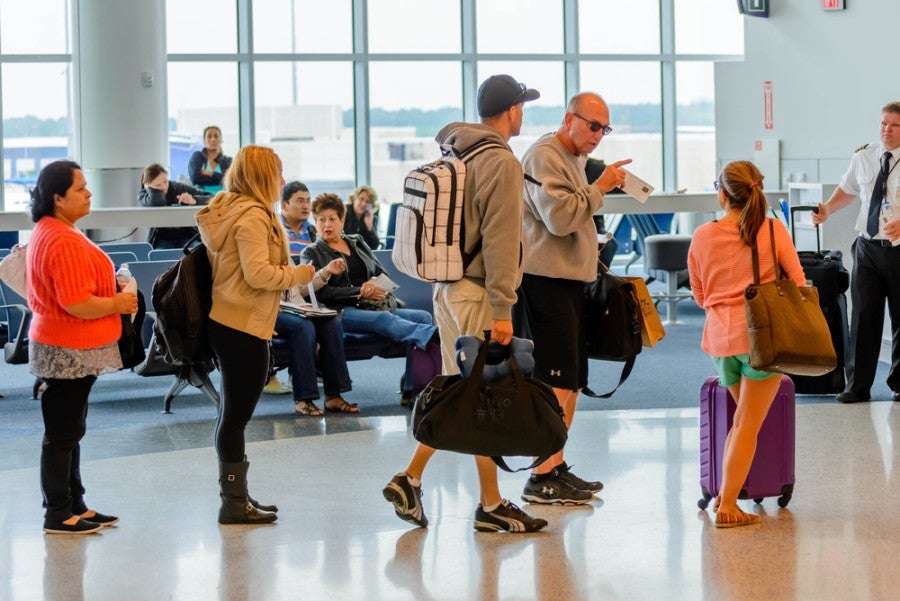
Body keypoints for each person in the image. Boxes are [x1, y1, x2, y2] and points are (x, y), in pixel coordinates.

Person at [382, 74, 548, 533]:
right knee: (481, 395)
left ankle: (465, 494)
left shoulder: (457, 151)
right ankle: (437, 486)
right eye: (522, 106)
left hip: (447, 287)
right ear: (512, 111)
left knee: (465, 392)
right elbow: (500, 239)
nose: (523, 113)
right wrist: (502, 308)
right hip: (477, 292)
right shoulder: (501, 162)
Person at [517, 92, 631, 505]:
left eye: (605, 128)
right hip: (546, 282)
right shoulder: (544, 156)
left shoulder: (573, 158)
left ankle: (555, 464)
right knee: (555, 384)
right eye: (593, 125)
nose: (599, 135)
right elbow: (561, 218)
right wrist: (600, 189)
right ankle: (540, 476)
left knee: (573, 383)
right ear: (570, 119)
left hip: (569, 282)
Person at [196, 145, 316, 524]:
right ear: (262, 176)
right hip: (240, 324)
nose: (282, 181)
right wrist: (299, 274)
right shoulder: (251, 217)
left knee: (232, 414)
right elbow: (258, 274)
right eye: (277, 173)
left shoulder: (235, 210)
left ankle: (237, 498)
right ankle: (233, 502)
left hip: (236, 321)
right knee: (235, 416)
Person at [687, 160, 805, 527]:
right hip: (761, 340)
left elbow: (699, 293)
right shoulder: (771, 229)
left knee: (742, 421)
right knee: (746, 425)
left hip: (721, 342)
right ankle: (727, 507)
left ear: (722, 195)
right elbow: (798, 283)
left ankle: (726, 494)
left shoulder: (703, 236)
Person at [27, 160, 139, 534]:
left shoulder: (56, 229)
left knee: (70, 430)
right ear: (58, 198)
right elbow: (76, 302)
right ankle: (57, 513)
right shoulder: (59, 237)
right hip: (66, 348)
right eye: (80, 188)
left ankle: (75, 503)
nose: (89, 193)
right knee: (62, 435)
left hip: (69, 347)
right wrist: (118, 303)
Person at [301, 193, 437, 414]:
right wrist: (359, 292)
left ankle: (412, 389)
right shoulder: (312, 252)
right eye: (321, 220)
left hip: (373, 303)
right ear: (315, 223)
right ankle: (434, 336)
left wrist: (373, 282)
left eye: (332, 219)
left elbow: (379, 270)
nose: (327, 225)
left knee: (423, 317)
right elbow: (320, 292)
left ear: (342, 221)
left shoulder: (356, 241)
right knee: (384, 319)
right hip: (341, 311)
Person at [812, 101, 900, 404]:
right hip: (867, 249)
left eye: (894, 125)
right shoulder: (865, 156)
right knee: (862, 318)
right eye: (883, 124)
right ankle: (857, 386)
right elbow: (848, 190)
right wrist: (827, 210)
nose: (887, 130)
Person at [276, 257, 355, 416]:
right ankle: (303, 398)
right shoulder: (258, 255)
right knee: (303, 326)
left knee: (332, 322)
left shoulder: (284, 256)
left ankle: (333, 395)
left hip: (296, 309)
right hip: (273, 310)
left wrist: (324, 273)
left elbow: (300, 289)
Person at [138, 162, 209, 249]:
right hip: (162, 240)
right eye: (158, 185)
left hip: (187, 237)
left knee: (198, 253)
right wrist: (149, 189)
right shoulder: (143, 196)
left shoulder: (178, 187)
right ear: (147, 186)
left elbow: (211, 197)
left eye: (165, 181)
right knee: (160, 256)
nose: (164, 187)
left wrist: (194, 200)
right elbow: (157, 201)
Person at [188, 125, 233, 194]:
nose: (213, 139)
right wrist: (220, 177)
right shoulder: (198, 156)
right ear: (204, 140)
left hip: (224, 198)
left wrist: (210, 173)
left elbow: (230, 180)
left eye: (216, 136)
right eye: (209, 136)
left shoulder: (227, 160)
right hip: (201, 198)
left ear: (221, 140)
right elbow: (195, 179)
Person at [280, 181, 317, 255]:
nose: (306, 206)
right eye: (300, 201)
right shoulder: (272, 228)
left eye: (308, 201)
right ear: (284, 206)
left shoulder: (313, 232)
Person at [343, 185, 380, 249]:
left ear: (371, 205)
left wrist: (369, 227)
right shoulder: (343, 213)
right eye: (361, 199)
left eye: (368, 201)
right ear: (354, 199)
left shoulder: (372, 219)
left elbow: (374, 247)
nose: (364, 204)